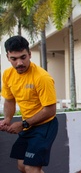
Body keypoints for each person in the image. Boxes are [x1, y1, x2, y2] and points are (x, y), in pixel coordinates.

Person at [0, 36, 58, 173]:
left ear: (30, 54)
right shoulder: (7, 74)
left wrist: (23, 124)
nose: (19, 63)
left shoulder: (42, 77)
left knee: (31, 167)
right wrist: (7, 119)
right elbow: (9, 100)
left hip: (45, 125)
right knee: (22, 166)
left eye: (23, 57)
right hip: (28, 126)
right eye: (14, 59)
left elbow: (50, 110)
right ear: (8, 57)